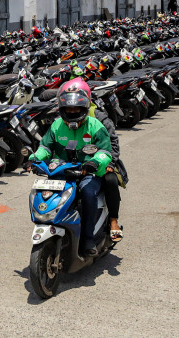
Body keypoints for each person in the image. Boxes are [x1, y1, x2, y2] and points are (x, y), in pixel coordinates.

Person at [31, 83, 114, 256]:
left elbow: (106, 151)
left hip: (88, 173)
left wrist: (94, 162)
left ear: (84, 107)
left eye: (77, 108)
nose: (73, 112)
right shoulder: (56, 126)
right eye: (69, 109)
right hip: (61, 171)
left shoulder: (96, 125)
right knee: (44, 194)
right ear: (62, 109)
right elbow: (45, 147)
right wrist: (34, 159)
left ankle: (88, 239)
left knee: (88, 193)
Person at [64, 78, 125, 242]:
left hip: (101, 162)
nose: (72, 108)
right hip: (71, 163)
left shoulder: (99, 117)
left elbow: (113, 143)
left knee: (110, 180)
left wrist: (109, 163)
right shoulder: (63, 117)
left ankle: (113, 221)